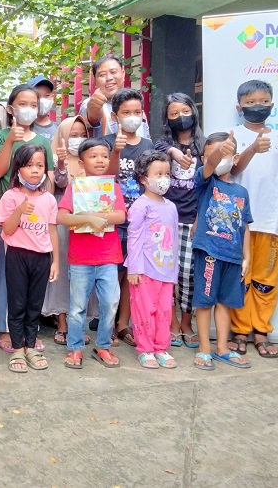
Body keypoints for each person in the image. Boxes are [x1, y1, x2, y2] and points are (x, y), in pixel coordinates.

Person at [0, 84, 55, 352]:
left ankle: (28, 334)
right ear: (10, 108)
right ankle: (5, 331)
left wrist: (41, 202)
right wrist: (10, 141)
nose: (28, 109)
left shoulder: (43, 142)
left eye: (33, 105)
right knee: (8, 281)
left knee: (31, 286)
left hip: (36, 223)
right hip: (9, 218)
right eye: (22, 104)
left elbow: (48, 180)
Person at [227, 80, 278, 358]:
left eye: (262, 101)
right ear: (239, 108)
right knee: (242, 278)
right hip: (241, 223)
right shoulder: (233, 135)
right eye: (249, 103)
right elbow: (233, 170)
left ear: (272, 105)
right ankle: (240, 329)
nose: (256, 107)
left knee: (266, 279)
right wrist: (251, 148)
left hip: (273, 221)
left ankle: (261, 330)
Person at [57, 139, 127, 369]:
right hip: (81, 259)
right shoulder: (75, 187)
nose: (100, 160)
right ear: (81, 161)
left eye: (104, 156)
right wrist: (87, 218)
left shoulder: (112, 186)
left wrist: (100, 217)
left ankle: (103, 346)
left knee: (110, 304)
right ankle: (75, 348)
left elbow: (121, 216)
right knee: (77, 307)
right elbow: (62, 217)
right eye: (94, 156)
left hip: (108, 257)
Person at [0, 144, 58, 372]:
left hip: (42, 258)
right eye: (29, 165)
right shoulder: (11, 197)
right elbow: (7, 230)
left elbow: (51, 231)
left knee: (34, 304)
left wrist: (55, 261)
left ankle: (30, 346)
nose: (35, 170)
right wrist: (20, 210)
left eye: (40, 165)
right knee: (17, 303)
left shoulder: (49, 199)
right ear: (18, 169)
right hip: (17, 256)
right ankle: (17, 349)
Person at [192, 132, 252, 371]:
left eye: (226, 152)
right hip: (208, 252)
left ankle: (222, 348)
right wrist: (218, 152)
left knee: (225, 303)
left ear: (235, 158)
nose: (218, 159)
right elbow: (210, 165)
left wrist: (246, 257)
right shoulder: (206, 182)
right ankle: (205, 348)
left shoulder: (241, 192)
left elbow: (245, 226)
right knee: (205, 302)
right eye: (213, 155)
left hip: (233, 257)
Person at [102, 88, 154, 347]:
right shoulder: (108, 142)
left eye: (136, 112)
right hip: (113, 220)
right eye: (126, 113)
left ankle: (123, 324)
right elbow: (105, 177)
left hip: (138, 222)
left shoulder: (147, 146)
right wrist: (116, 152)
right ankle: (107, 323)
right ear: (115, 116)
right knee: (111, 274)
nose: (132, 117)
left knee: (130, 273)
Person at [154, 93, 206, 348]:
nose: (180, 118)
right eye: (173, 114)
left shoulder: (204, 146)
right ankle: (171, 322)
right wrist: (174, 151)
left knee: (188, 275)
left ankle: (187, 322)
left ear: (193, 113)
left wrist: (199, 217)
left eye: (184, 111)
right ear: (166, 119)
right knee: (167, 274)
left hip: (191, 219)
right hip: (166, 220)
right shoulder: (162, 146)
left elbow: (208, 185)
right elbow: (159, 150)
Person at [126, 150, 179, 369]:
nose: (163, 179)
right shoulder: (140, 205)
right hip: (144, 270)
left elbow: (173, 241)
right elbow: (134, 237)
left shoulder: (171, 207)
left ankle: (161, 347)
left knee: (165, 311)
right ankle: (145, 349)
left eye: (167, 173)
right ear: (143, 179)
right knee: (144, 311)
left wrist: (174, 272)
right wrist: (134, 269)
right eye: (158, 174)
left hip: (166, 272)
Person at [45, 116, 94, 345]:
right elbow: (58, 184)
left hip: (88, 223)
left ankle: (79, 322)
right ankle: (62, 321)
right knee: (64, 271)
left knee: (83, 273)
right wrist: (62, 165)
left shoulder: (92, 157)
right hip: (64, 222)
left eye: (82, 135)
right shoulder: (54, 156)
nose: (78, 140)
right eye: (73, 135)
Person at [79, 55, 150, 139]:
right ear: (95, 82)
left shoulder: (136, 106)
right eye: (102, 75)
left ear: (123, 74)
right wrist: (95, 105)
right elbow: (92, 116)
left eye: (113, 72)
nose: (109, 78)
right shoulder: (90, 103)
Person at [29, 74, 58, 141]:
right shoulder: (23, 128)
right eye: (38, 96)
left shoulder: (59, 129)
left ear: (52, 97)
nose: (42, 100)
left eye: (46, 95)